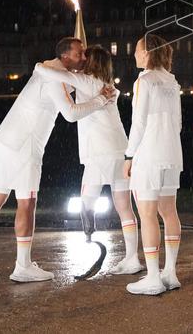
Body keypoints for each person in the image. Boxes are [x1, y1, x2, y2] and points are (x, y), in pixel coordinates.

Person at [0, 37, 115, 282]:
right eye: (80, 54)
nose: (84, 58)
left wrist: (96, 88)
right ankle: (23, 265)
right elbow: (71, 114)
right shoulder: (54, 76)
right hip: (26, 144)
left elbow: (75, 86)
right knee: (27, 202)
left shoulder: (52, 72)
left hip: (7, 138)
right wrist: (101, 100)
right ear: (66, 56)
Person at [31, 45, 141, 275]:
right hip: (120, 150)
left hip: (99, 153)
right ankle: (132, 258)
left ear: (91, 64)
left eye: (85, 58)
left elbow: (56, 75)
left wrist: (41, 66)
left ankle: (90, 236)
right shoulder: (106, 85)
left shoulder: (88, 81)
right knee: (124, 207)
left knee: (87, 201)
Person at [122, 33, 184, 295]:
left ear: (147, 53)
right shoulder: (171, 81)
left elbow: (139, 122)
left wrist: (129, 155)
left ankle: (152, 277)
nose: (135, 55)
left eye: (137, 50)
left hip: (149, 154)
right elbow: (179, 123)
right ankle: (169, 272)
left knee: (147, 214)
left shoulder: (144, 80)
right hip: (172, 153)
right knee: (169, 212)